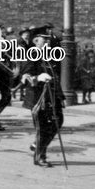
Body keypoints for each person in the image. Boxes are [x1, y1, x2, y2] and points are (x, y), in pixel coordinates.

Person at [21, 34, 65, 167]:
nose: (47, 42)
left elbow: (56, 78)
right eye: (44, 40)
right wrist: (38, 77)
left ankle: (37, 145)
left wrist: (61, 97)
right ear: (36, 41)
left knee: (58, 121)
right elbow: (24, 77)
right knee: (43, 128)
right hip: (38, 99)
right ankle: (40, 156)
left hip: (52, 97)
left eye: (48, 40)